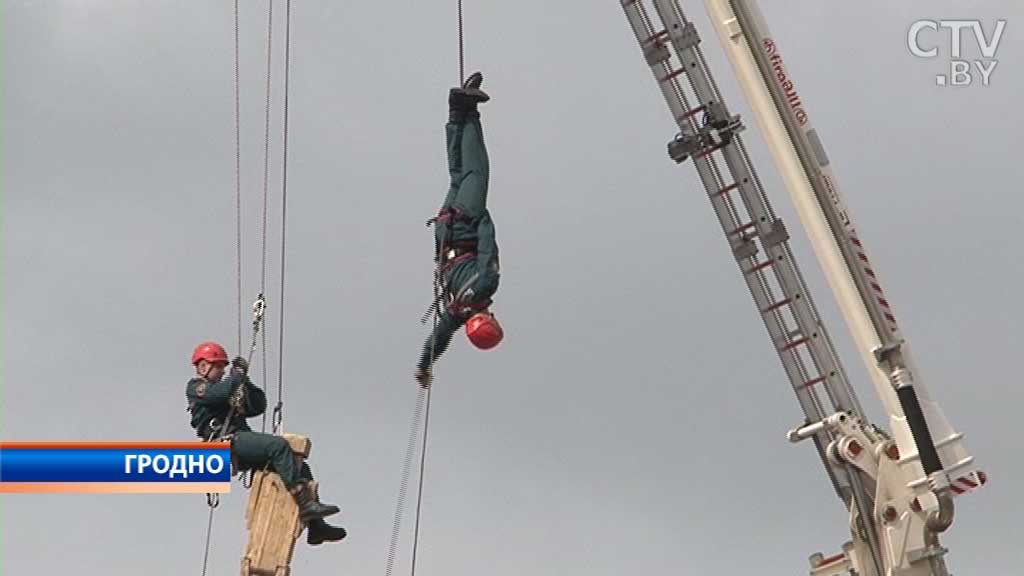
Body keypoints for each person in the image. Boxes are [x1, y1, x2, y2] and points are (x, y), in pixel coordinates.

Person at [185, 341, 346, 545]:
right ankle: (305, 504)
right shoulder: (197, 388)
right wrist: (235, 377)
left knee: (298, 465)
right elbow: (221, 393)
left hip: (237, 441)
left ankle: (316, 526)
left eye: (222, 368)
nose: (221, 371)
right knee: (277, 446)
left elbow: (258, 405)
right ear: (203, 367)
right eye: (218, 367)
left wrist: (245, 383)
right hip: (224, 445)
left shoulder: (226, 389)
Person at [415, 71, 504, 387]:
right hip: (446, 231)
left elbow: (488, 244)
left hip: (465, 224)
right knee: (458, 174)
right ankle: (458, 111)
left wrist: (480, 215)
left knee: (476, 170)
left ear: (489, 319)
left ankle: (467, 109)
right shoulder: (457, 310)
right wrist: (424, 365)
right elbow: (438, 338)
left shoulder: (485, 287)